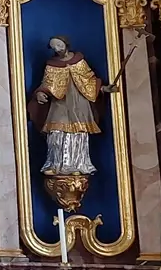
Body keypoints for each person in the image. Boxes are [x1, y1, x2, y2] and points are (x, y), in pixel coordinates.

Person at [29, 36, 105, 177]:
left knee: (78, 135)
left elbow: (89, 80)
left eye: (59, 45)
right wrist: (40, 93)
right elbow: (46, 83)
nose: (57, 49)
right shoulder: (52, 65)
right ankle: (55, 164)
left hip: (79, 102)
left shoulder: (79, 61)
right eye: (54, 47)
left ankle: (78, 165)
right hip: (60, 103)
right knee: (56, 134)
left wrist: (103, 89)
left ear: (66, 44)